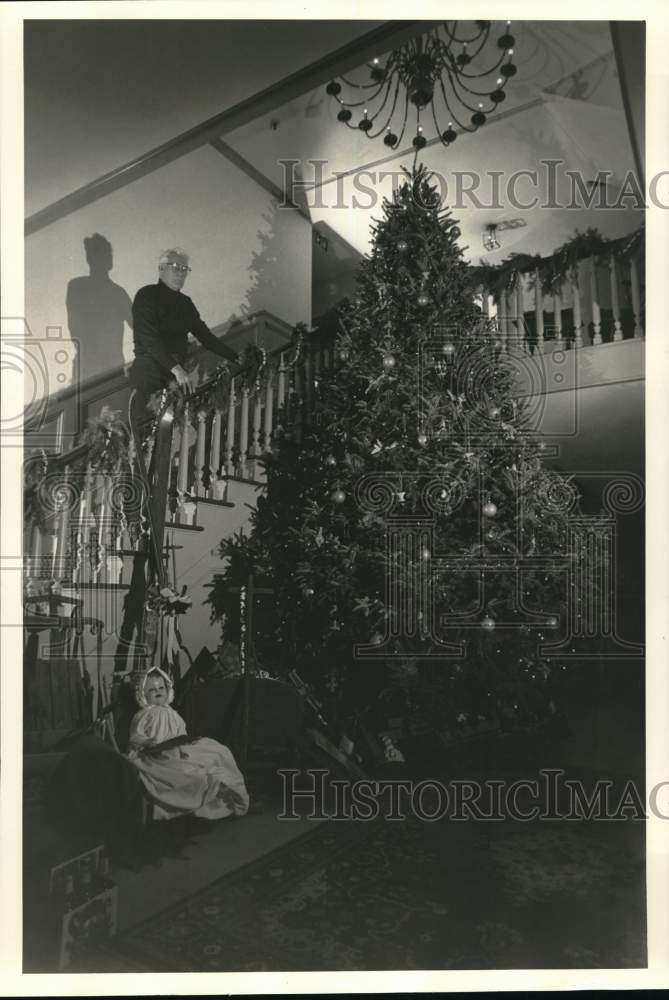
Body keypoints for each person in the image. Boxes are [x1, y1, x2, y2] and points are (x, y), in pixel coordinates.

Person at [127, 667, 250, 821]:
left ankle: (228, 796)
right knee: (191, 772)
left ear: (168, 689)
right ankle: (198, 804)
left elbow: (180, 732)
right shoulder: (144, 715)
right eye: (152, 690)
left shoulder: (171, 711)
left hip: (179, 748)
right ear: (142, 695)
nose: (158, 691)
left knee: (218, 750)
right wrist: (147, 741)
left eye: (161, 687)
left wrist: (188, 741)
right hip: (158, 756)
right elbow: (135, 736)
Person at [128, 247, 237, 414]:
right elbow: (150, 339)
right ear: (161, 268)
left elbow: (206, 338)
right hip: (149, 374)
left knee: (170, 434)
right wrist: (177, 369)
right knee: (147, 433)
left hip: (174, 378)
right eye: (175, 267)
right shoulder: (146, 295)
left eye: (184, 269)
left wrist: (237, 358)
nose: (180, 273)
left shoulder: (186, 303)